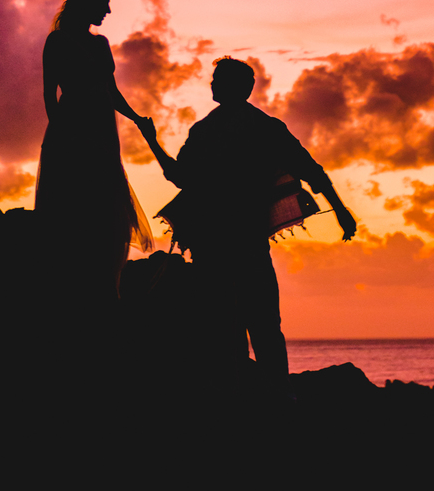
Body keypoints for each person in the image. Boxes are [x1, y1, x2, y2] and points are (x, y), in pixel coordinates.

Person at [141, 56, 357, 393]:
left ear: (238, 87)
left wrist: (152, 141)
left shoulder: (212, 131)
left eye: (218, 79)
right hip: (240, 242)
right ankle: (272, 398)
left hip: (216, 243)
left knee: (229, 328)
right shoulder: (259, 128)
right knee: (260, 325)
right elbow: (311, 170)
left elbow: (179, 177)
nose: (212, 84)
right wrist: (340, 210)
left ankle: (244, 400)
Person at [35, 0, 155, 299]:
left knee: (107, 207)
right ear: (86, 2)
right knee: (74, 207)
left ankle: (106, 286)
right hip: (72, 133)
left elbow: (110, 92)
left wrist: (136, 118)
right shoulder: (58, 41)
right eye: (104, 3)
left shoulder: (101, 44)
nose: (108, 10)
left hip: (103, 133)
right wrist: (64, 138)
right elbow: (49, 94)